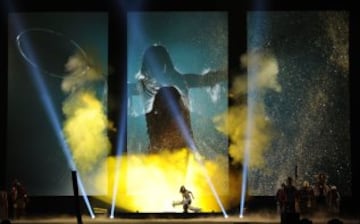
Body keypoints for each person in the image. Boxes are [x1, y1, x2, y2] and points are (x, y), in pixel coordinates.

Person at [128, 44, 226, 153]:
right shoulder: (143, 85)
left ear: (165, 64)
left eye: (159, 64)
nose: (156, 68)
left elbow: (205, 80)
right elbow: (205, 80)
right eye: (152, 65)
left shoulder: (179, 80)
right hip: (155, 129)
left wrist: (224, 74)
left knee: (211, 134)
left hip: (181, 126)